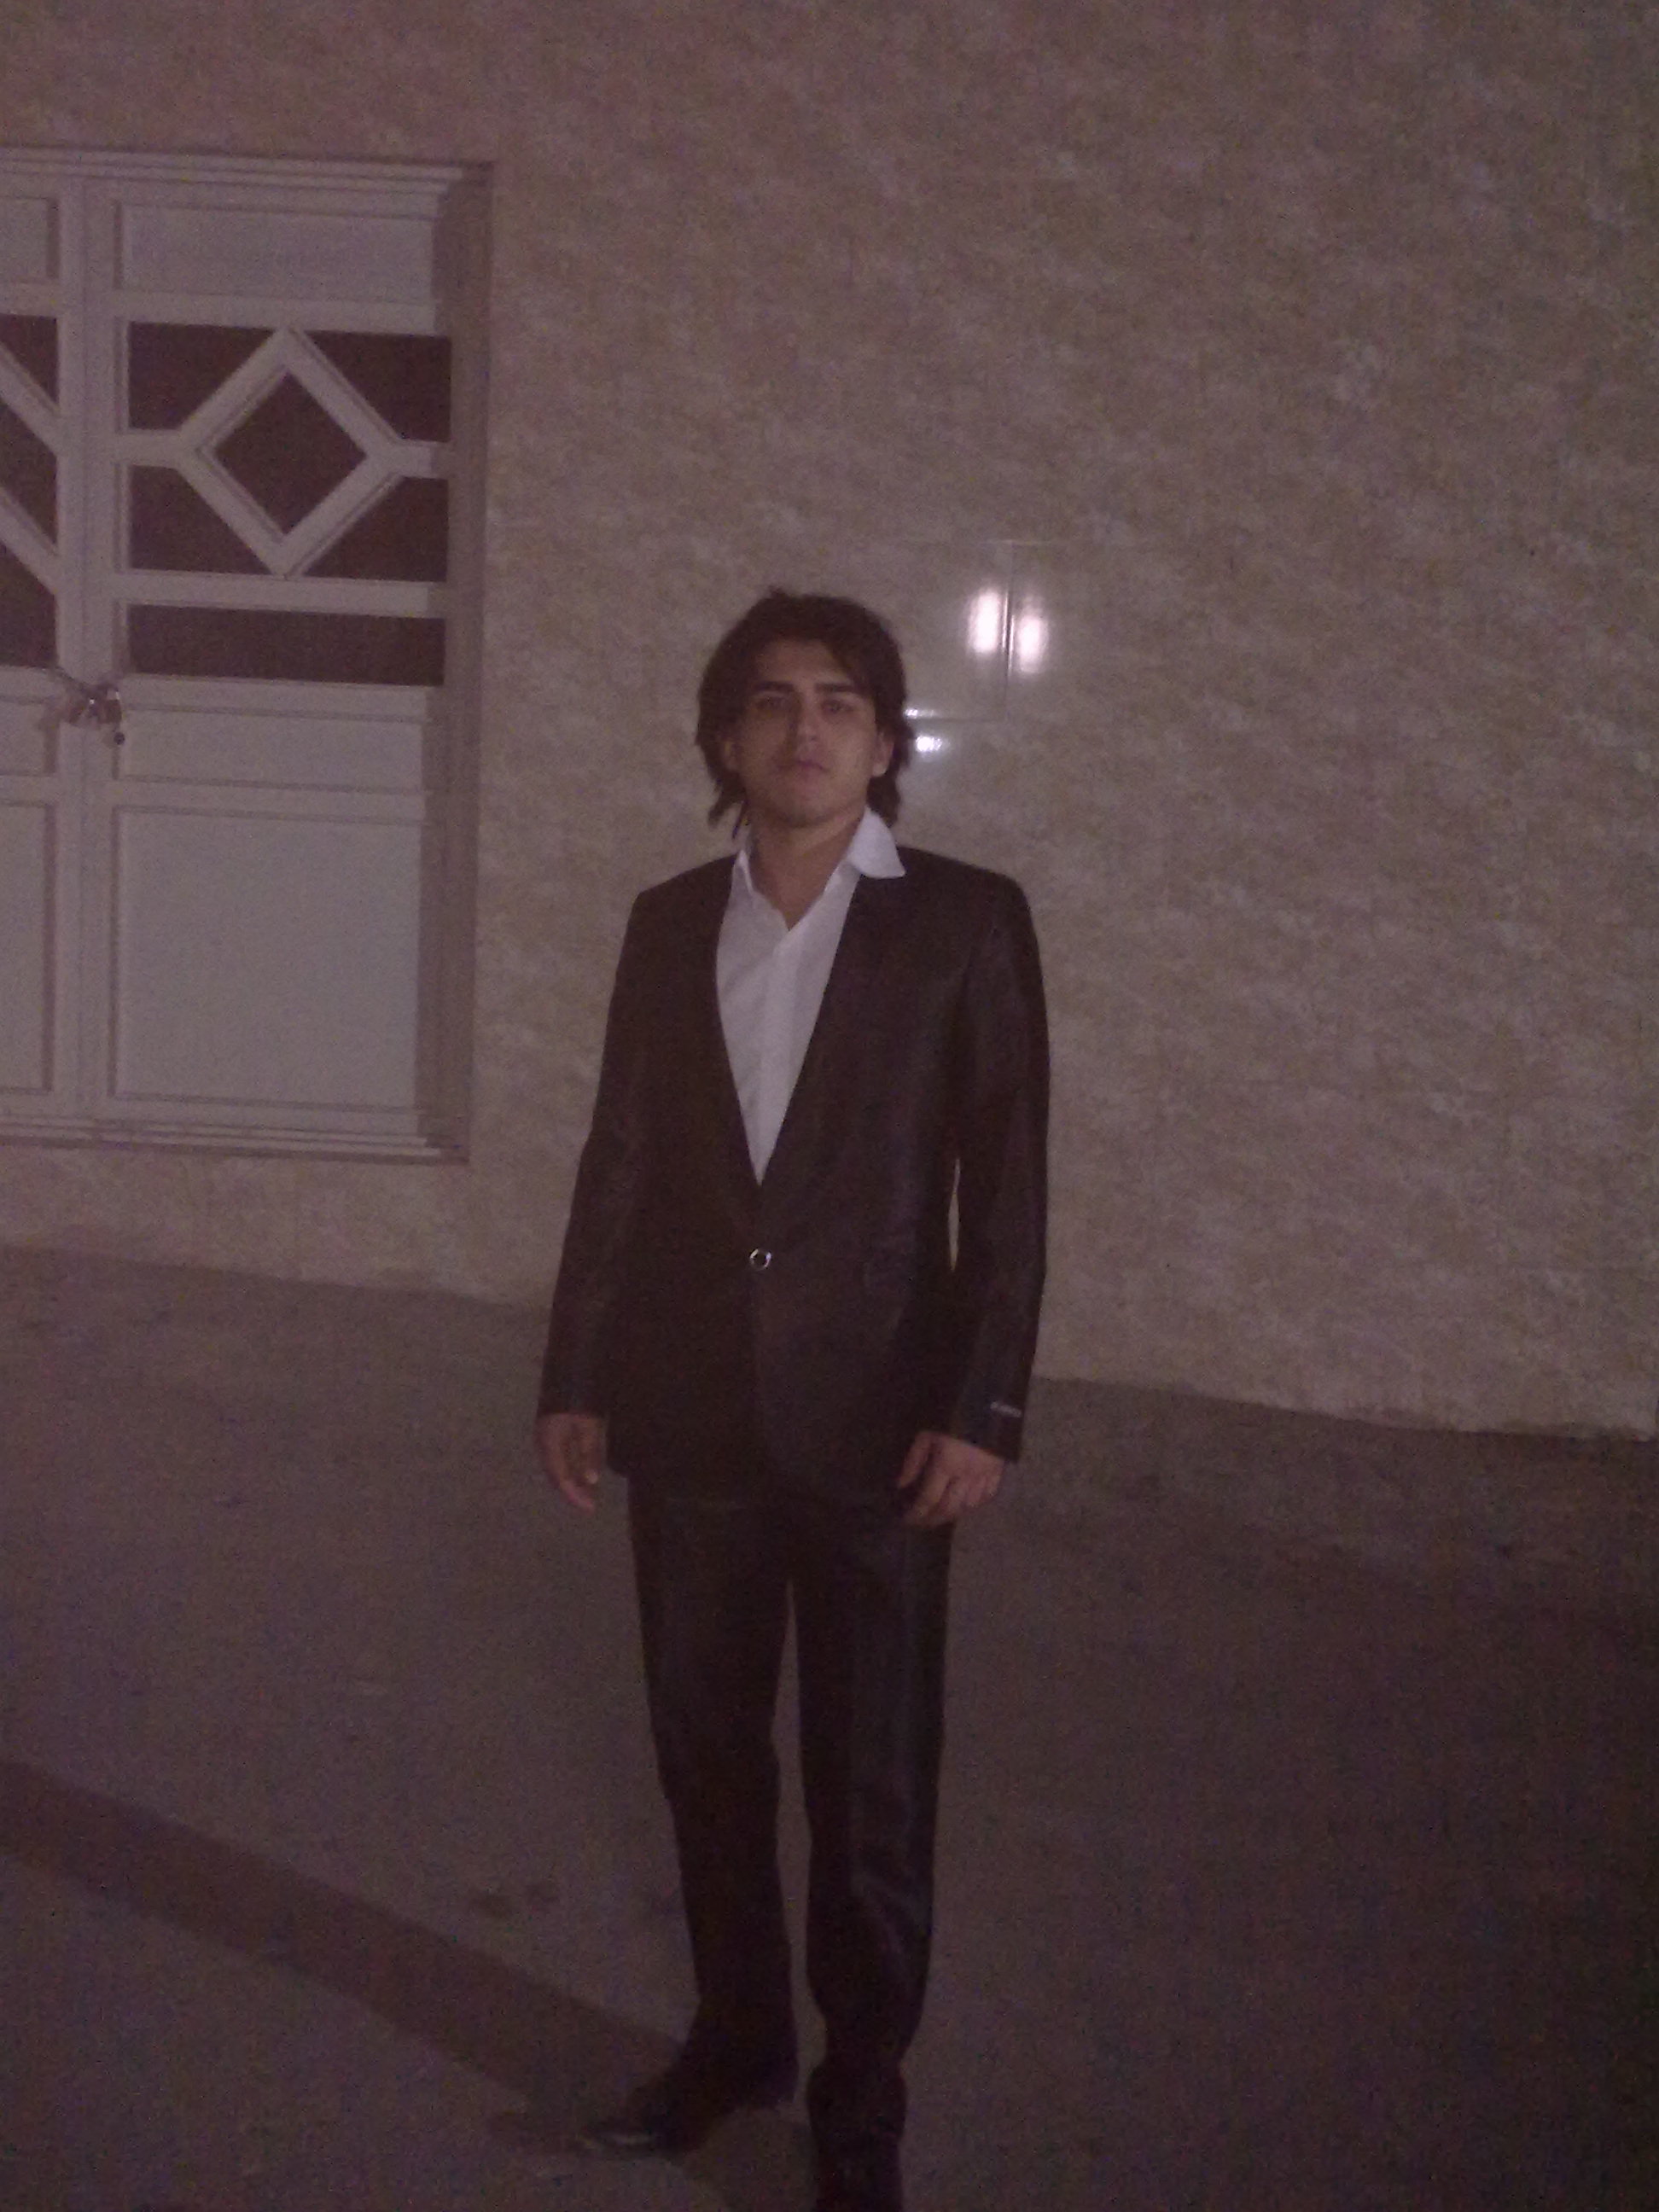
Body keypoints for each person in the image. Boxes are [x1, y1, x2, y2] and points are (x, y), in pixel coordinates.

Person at [535, 589, 1049, 2212]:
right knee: (705, 1755)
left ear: (885, 743)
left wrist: (984, 1406)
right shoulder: (667, 922)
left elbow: (1007, 1186)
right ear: (724, 740)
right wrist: (577, 1372)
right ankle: (739, 2036)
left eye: (839, 702)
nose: (804, 729)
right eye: (771, 702)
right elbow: (621, 1155)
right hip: (691, 1413)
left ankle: (862, 2102)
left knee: (870, 1788)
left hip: (883, 1426)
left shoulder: (963, 924)